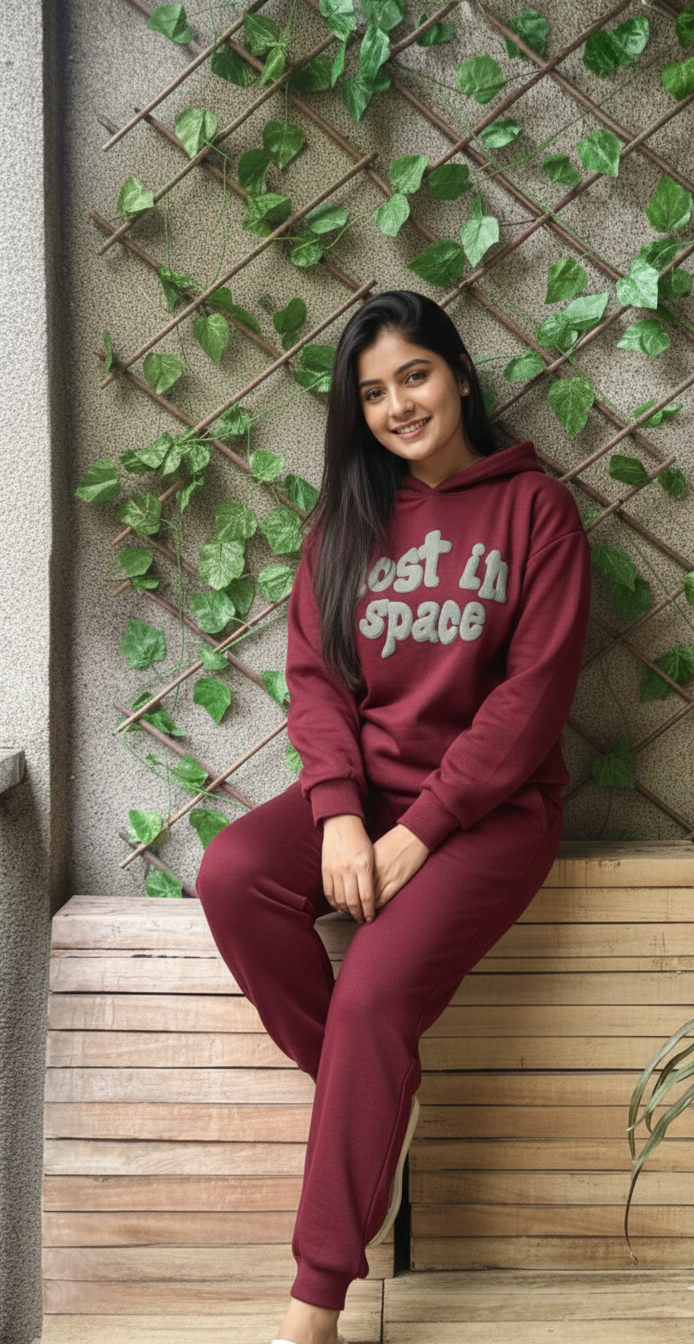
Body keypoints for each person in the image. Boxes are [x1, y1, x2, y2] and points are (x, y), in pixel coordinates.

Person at [196, 289, 592, 1344]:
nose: (397, 405)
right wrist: (335, 815)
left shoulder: (535, 513)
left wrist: (416, 834)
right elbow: (315, 682)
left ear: (459, 374)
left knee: (373, 993)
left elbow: (529, 703)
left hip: (491, 816)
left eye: (413, 375)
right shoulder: (348, 519)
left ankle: (313, 1306)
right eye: (371, 393)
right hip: (364, 797)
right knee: (232, 875)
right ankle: (369, 1101)